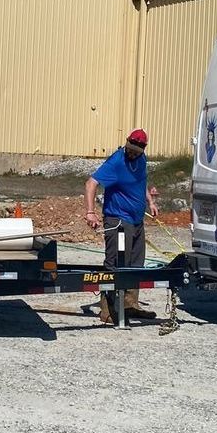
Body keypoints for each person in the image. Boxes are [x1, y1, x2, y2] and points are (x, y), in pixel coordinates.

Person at [84, 129, 159, 324]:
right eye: (129, 149)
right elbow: (91, 183)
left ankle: (129, 305)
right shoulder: (116, 161)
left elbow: (141, 182)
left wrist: (150, 202)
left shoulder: (142, 160)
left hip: (136, 220)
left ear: (143, 149)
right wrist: (90, 212)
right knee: (115, 263)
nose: (131, 153)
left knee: (136, 264)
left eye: (136, 151)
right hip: (117, 219)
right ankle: (108, 309)